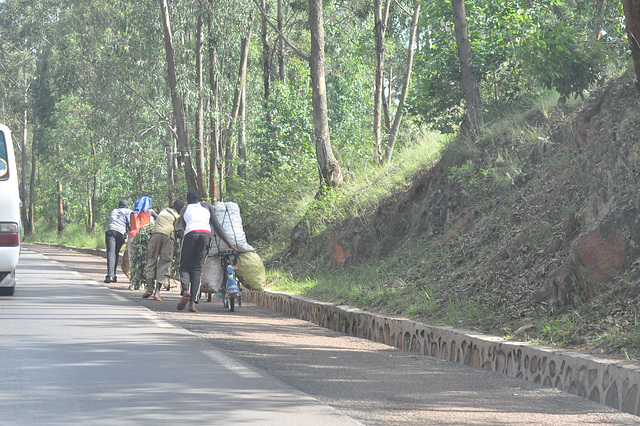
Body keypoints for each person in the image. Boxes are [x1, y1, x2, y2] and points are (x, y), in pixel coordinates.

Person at [175, 190, 234, 313]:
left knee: (185, 267)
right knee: (197, 269)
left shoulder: (184, 210)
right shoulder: (207, 206)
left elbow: (185, 229)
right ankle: (192, 304)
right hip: (205, 235)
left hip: (191, 234)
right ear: (199, 199)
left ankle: (185, 290)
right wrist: (230, 244)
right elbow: (217, 227)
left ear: (188, 200)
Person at [143, 199, 184, 301]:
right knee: (164, 263)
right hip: (168, 237)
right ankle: (157, 293)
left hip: (155, 235)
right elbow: (179, 233)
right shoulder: (177, 216)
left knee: (151, 260)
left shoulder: (163, 211)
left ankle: (150, 288)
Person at [121, 195, 158, 279]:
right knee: (146, 259)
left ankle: (134, 279)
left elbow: (130, 226)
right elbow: (159, 218)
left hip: (133, 237)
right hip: (145, 238)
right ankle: (146, 278)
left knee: (133, 259)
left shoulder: (132, 213)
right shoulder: (150, 211)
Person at [104, 200, 132, 283]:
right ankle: (112, 275)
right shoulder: (128, 211)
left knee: (111, 253)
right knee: (116, 253)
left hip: (110, 231)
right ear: (127, 206)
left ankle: (111, 275)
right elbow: (129, 225)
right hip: (120, 233)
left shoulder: (114, 211)